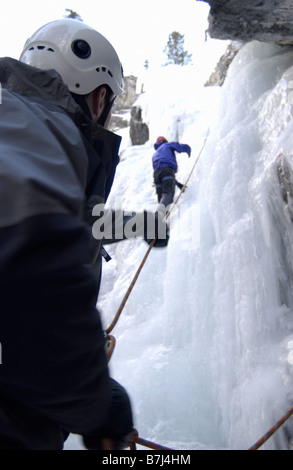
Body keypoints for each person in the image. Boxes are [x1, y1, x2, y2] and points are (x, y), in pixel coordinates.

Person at [0, 18, 168, 450]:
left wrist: (144, 225)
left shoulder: (21, 126)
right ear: (98, 97)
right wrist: (93, 402)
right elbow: (37, 264)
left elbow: (79, 219)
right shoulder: (42, 124)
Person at [152, 136, 191, 208]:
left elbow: (163, 174)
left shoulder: (155, 155)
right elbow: (178, 146)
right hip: (167, 170)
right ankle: (159, 216)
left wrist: (178, 184)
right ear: (165, 141)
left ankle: (160, 217)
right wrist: (188, 149)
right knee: (168, 193)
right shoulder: (167, 145)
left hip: (156, 175)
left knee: (161, 198)